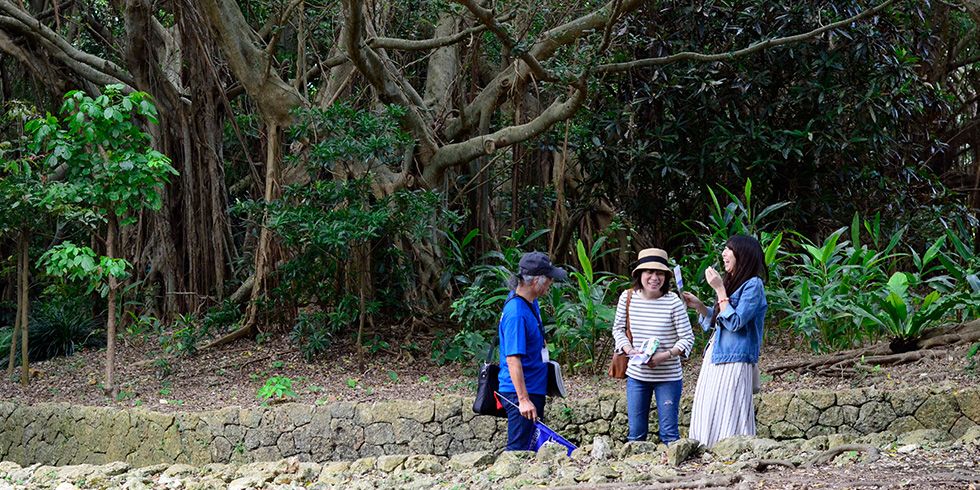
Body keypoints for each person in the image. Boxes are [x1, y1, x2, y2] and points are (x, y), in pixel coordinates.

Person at [682, 234, 768, 449]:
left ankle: (734, 451)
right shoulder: (733, 283)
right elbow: (719, 319)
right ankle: (706, 450)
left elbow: (735, 322)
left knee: (730, 408)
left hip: (735, 358)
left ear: (743, 254)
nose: (723, 253)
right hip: (716, 354)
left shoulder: (754, 285)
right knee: (708, 405)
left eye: (729, 249)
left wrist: (720, 289)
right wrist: (699, 306)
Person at [612, 248, 694, 444]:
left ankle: (673, 464)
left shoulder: (673, 301)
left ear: (666, 277)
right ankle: (635, 464)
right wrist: (629, 350)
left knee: (669, 434)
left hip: (668, 377)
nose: (654, 278)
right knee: (636, 434)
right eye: (649, 272)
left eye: (660, 273)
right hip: (637, 375)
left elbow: (687, 338)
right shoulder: (627, 297)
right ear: (640, 274)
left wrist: (665, 355)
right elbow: (618, 329)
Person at [497, 251, 567, 450]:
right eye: (549, 279)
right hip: (521, 391)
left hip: (534, 387)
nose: (550, 283)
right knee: (519, 449)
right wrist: (523, 400)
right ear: (537, 281)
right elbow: (512, 359)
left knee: (531, 446)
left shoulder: (529, 301)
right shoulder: (516, 313)